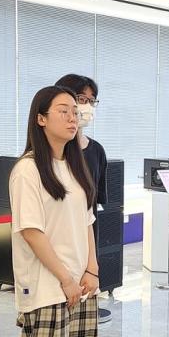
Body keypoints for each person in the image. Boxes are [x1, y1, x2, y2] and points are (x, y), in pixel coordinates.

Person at [10, 85, 100, 337]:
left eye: (75, 110)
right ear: (41, 118)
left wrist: (91, 270)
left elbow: (88, 222)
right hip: (47, 289)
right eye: (63, 110)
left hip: (80, 287)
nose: (73, 116)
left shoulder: (76, 166)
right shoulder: (27, 170)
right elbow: (31, 231)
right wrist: (64, 277)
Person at [54, 73, 111, 324]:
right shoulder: (46, 156)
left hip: (85, 249)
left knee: (83, 330)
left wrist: (92, 266)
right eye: (80, 98)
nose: (86, 106)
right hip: (54, 253)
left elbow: (91, 209)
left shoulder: (96, 151)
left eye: (91, 100)